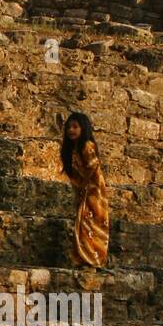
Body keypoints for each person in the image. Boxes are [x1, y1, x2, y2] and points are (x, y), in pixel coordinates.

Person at [60, 112, 109, 268]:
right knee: (82, 225)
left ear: (84, 128)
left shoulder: (87, 146)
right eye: (69, 127)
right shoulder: (71, 150)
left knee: (91, 225)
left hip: (95, 192)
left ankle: (92, 260)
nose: (71, 130)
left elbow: (93, 167)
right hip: (83, 191)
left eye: (75, 127)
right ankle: (83, 259)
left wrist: (85, 186)